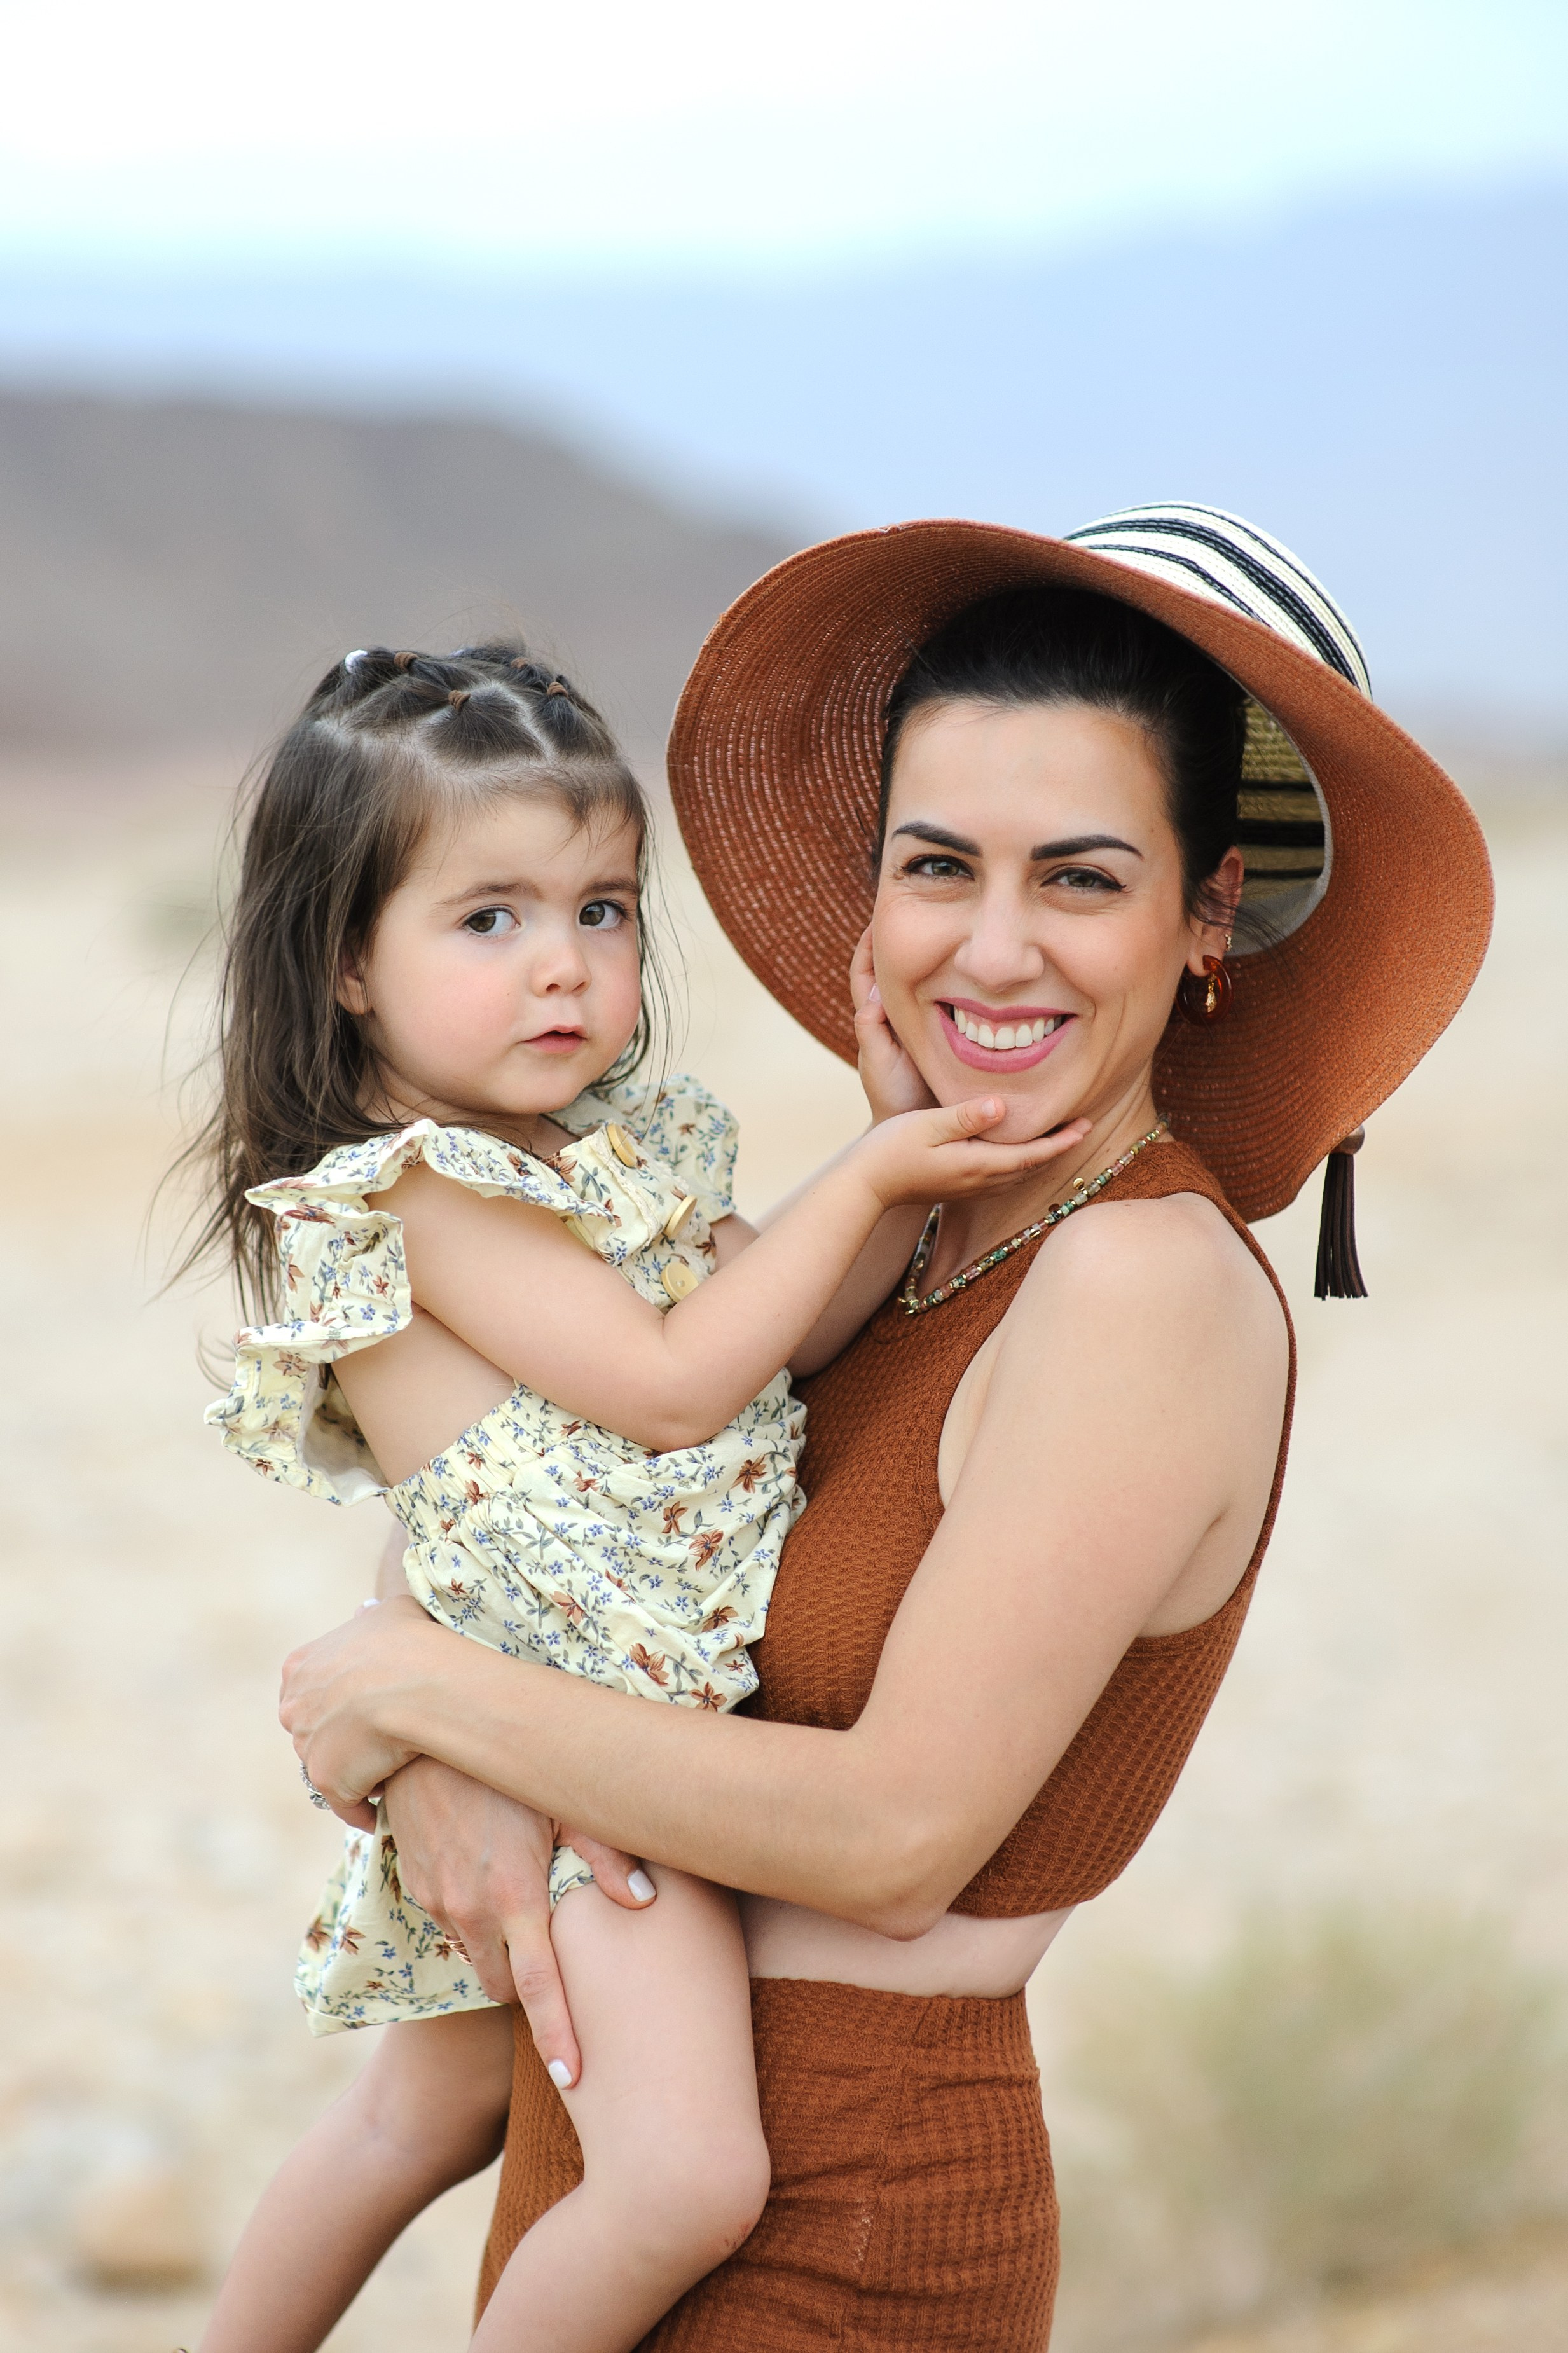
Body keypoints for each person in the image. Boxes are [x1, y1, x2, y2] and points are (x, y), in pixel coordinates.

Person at [278, 508, 1492, 2350]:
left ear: (1204, 912)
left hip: (833, 2233)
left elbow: (894, 1831)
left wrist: (419, 1698)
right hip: (613, 2158)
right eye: (938, 867)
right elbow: (547, 1514)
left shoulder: (1136, 1283)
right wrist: (438, 1729)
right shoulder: (895, 1243)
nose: (991, 951)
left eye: (1078, 879)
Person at [188, 640, 1080, 2353]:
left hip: (580, 1726)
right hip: (589, 1755)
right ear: (344, 964)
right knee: (680, 2181)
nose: (564, 969)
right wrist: (879, 1169)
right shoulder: (413, 1190)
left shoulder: (604, 1148)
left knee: (424, 2115)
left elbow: (777, 1338)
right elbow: (674, 1386)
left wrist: (879, 1156)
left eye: (602, 910)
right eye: (490, 917)